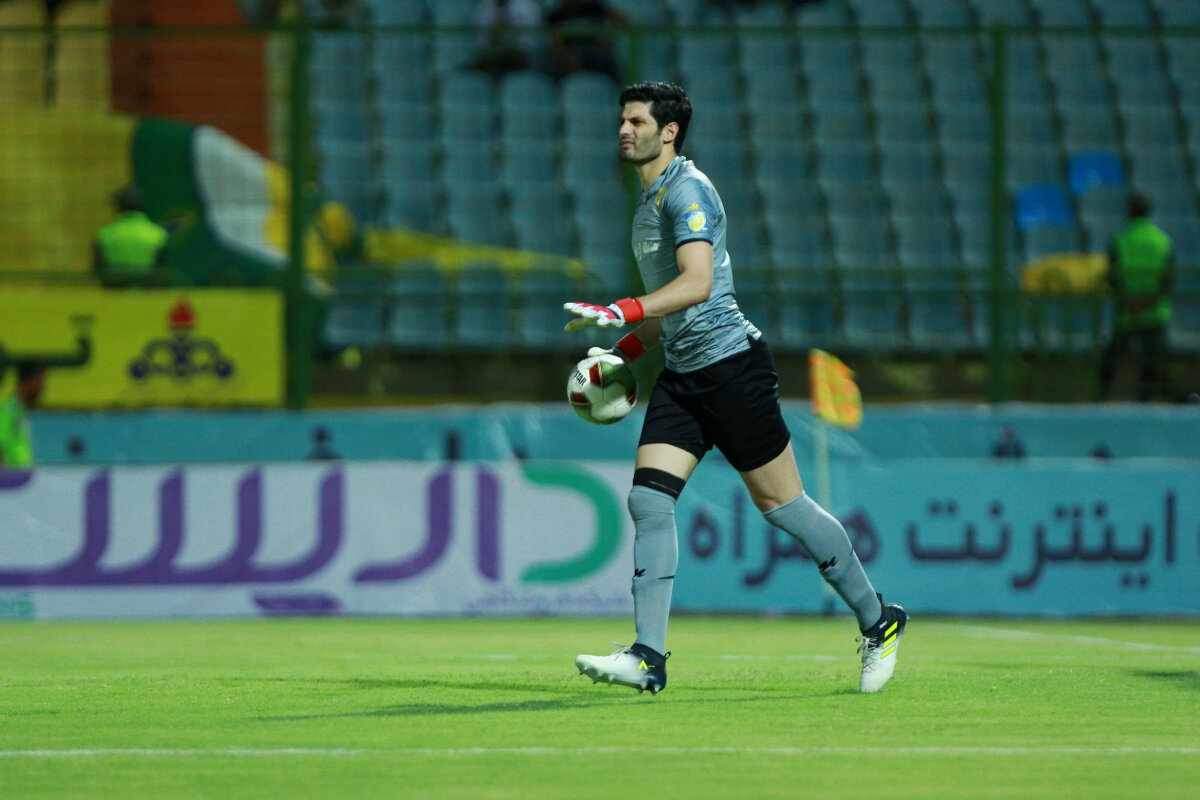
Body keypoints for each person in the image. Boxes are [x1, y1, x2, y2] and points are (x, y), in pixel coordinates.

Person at [563, 82, 905, 695]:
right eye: (622, 120)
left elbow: (696, 284)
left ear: (669, 131)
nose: (624, 130)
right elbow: (671, 309)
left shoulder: (687, 190)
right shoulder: (648, 201)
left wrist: (622, 310)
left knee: (784, 507)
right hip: (683, 376)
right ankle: (647, 657)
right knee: (648, 501)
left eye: (637, 121)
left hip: (731, 370)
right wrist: (622, 352)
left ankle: (879, 620)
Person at [1098, 193, 1174, 401]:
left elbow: (1112, 276)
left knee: (1112, 357)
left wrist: (1130, 303)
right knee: (1152, 361)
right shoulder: (1163, 240)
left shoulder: (1120, 239)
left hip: (1127, 311)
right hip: (1154, 311)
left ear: (1129, 213)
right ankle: (1146, 401)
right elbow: (1167, 280)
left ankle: (1101, 397)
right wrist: (1147, 302)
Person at [93, 185, 170, 287]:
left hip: (114, 294)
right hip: (147, 293)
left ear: (118, 206)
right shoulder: (157, 234)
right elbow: (161, 270)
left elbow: (99, 269)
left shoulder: (104, 234)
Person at [543, 0, 628, 83]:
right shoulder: (555, 15)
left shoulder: (593, 8)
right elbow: (554, 45)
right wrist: (570, 60)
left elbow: (622, 21)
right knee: (549, 64)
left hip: (594, 53)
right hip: (569, 55)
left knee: (608, 62)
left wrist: (607, 35)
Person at [469, 0, 543, 79]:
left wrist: (511, 31)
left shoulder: (528, 6)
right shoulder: (483, 7)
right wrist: (495, 35)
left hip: (520, 54)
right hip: (491, 54)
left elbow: (530, 43)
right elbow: (479, 42)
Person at [0, 362, 47, 469]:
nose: (43, 386)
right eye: (40, 380)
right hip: (11, 477)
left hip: (21, 476)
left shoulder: (21, 411)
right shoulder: (9, 411)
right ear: (26, 381)